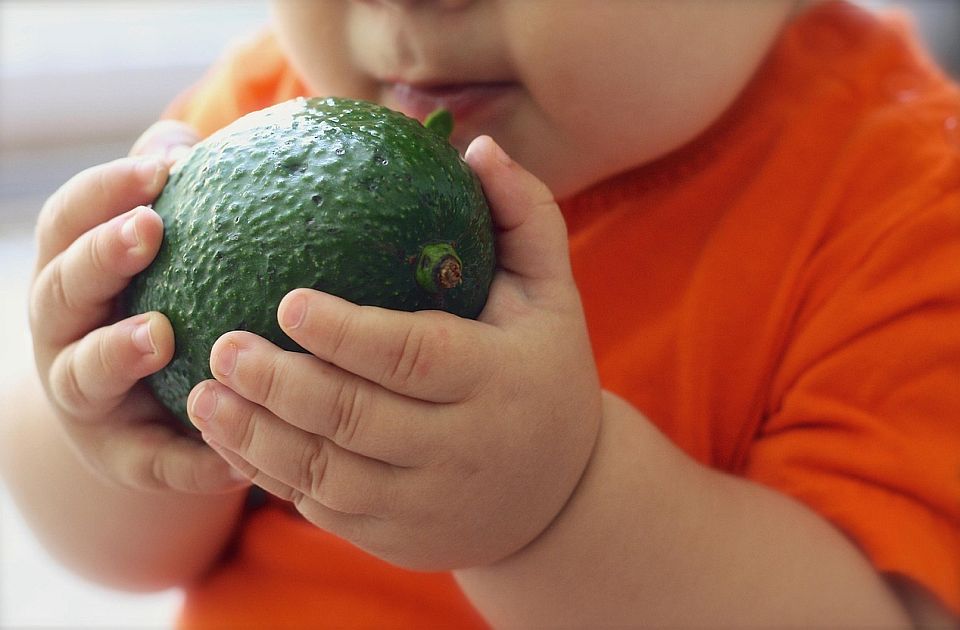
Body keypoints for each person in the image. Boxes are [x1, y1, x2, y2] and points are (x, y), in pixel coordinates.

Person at [1, 0, 957, 626]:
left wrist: (558, 508)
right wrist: (104, 394)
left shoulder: (905, 210)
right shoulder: (272, 119)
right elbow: (116, 554)